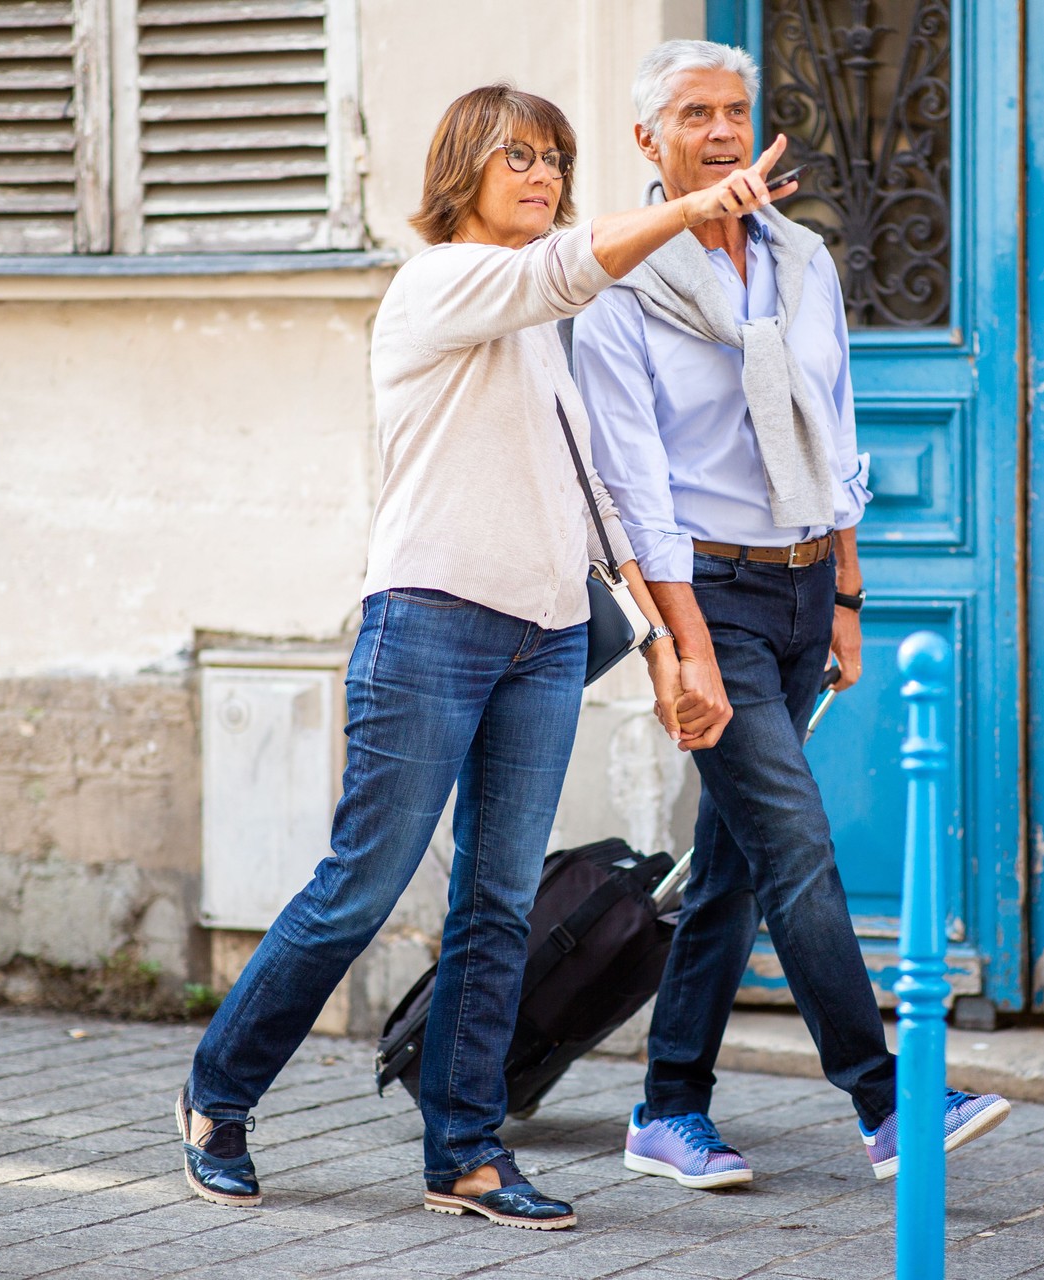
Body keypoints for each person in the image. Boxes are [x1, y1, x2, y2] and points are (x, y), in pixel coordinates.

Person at [175, 82, 798, 1231]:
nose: (545, 173)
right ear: (462, 166)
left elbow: (602, 495)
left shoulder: (541, 339)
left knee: (499, 901)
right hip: (431, 624)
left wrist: (665, 643)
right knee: (360, 883)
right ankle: (218, 1096)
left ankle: (463, 1150)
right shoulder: (441, 286)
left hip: (549, 638)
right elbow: (567, 266)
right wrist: (695, 205)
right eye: (519, 154)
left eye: (557, 157)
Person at [573, 41, 1010, 1189]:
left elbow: (834, 427)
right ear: (647, 143)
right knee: (798, 839)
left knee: (735, 864)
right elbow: (636, 492)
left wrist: (847, 594)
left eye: (735, 110)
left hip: (806, 584)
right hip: (706, 590)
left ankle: (667, 1108)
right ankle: (888, 1099)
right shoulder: (617, 288)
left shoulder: (803, 254)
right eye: (694, 114)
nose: (723, 131)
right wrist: (686, 647)